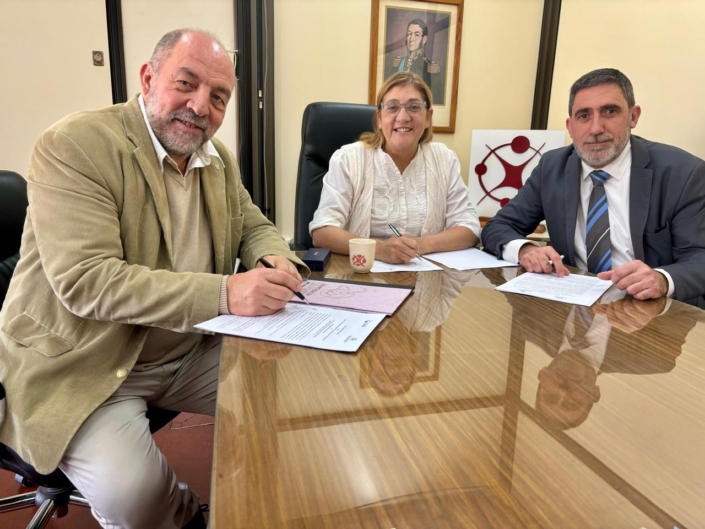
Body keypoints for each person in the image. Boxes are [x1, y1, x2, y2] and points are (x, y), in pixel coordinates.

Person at [0, 29, 306, 529]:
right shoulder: (75, 145)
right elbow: (88, 281)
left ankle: (252, 496)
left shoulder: (216, 159)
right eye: (186, 83)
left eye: (218, 97)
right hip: (86, 361)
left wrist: (274, 255)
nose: (200, 106)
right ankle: (186, 516)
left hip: (184, 348)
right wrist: (225, 292)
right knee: (137, 497)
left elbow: (252, 223)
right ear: (148, 78)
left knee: (290, 384)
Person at [482, 68, 705, 308]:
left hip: (653, 310)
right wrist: (525, 249)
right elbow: (498, 227)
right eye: (584, 116)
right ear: (570, 126)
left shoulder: (682, 172)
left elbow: (699, 257)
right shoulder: (552, 167)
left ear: (633, 116)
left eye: (610, 111)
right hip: (574, 307)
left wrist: (662, 279)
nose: (596, 128)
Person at [310, 72, 480, 264]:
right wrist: (380, 249)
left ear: (428, 117)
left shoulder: (444, 160)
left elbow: (470, 228)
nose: (403, 117)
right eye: (392, 107)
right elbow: (322, 232)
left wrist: (421, 244)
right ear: (379, 118)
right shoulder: (349, 159)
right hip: (359, 274)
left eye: (414, 107)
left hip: (427, 276)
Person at [392, 18, 443, 104]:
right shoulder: (398, 63)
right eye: (409, 34)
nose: (411, 39)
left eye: (416, 35)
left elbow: (435, 101)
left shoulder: (430, 67)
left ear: (424, 39)